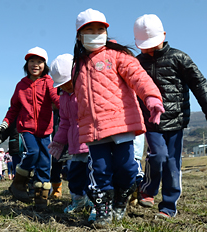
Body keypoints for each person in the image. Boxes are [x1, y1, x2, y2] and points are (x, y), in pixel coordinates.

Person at [72, 8, 163, 226]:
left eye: (100, 29)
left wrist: (151, 97)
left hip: (122, 124)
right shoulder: (78, 65)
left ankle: (121, 198)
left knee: (127, 168)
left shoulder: (118, 55)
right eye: (90, 30)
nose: (96, 34)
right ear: (79, 36)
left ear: (106, 32)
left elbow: (138, 76)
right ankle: (103, 209)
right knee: (100, 170)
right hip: (94, 130)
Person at [133, 14, 207, 218]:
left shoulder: (178, 58)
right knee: (157, 156)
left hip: (176, 120)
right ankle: (147, 190)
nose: (148, 49)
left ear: (164, 36)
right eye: (144, 45)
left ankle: (168, 207)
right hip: (151, 121)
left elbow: (199, 84)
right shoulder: (137, 63)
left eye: (152, 44)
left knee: (173, 164)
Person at [1, 46, 60, 209]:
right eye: (32, 61)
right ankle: (18, 183)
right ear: (26, 64)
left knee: (45, 160)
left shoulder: (49, 81)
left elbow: (55, 98)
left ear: (45, 65)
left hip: (45, 129)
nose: (35, 64)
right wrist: (5, 123)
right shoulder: (21, 85)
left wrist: (66, 107)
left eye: (39, 61)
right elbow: (13, 108)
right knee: (33, 152)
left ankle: (41, 197)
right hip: (26, 127)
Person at [48, 54, 94, 215]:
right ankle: (78, 200)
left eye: (68, 83)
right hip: (74, 145)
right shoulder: (64, 99)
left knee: (93, 176)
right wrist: (58, 142)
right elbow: (64, 123)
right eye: (63, 85)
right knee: (74, 175)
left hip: (91, 143)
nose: (66, 87)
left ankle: (96, 204)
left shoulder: (87, 91)